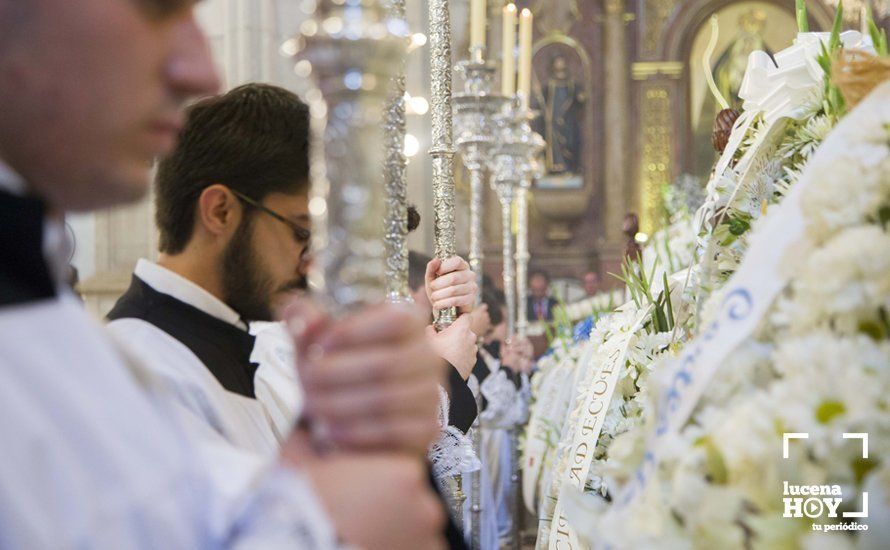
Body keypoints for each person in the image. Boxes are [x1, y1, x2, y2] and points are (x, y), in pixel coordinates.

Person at [0, 2, 444, 548]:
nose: (201, 72)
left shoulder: (84, 344)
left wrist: (326, 461)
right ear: (220, 212)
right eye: (158, 10)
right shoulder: (144, 356)